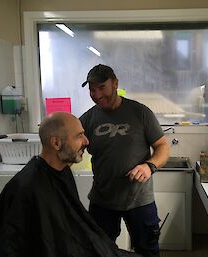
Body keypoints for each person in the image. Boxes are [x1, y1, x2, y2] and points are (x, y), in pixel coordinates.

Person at [0, 112, 142, 257]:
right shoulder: (26, 187)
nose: (86, 141)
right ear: (56, 143)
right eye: (79, 136)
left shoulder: (63, 171)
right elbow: (11, 247)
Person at [80, 64, 170, 257]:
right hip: (102, 200)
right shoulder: (87, 119)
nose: (96, 94)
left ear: (115, 84)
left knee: (148, 251)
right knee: (100, 252)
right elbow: (72, 146)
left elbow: (163, 146)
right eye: (92, 89)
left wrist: (149, 166)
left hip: (140, 200)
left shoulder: (140, 113)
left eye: (101, 87)